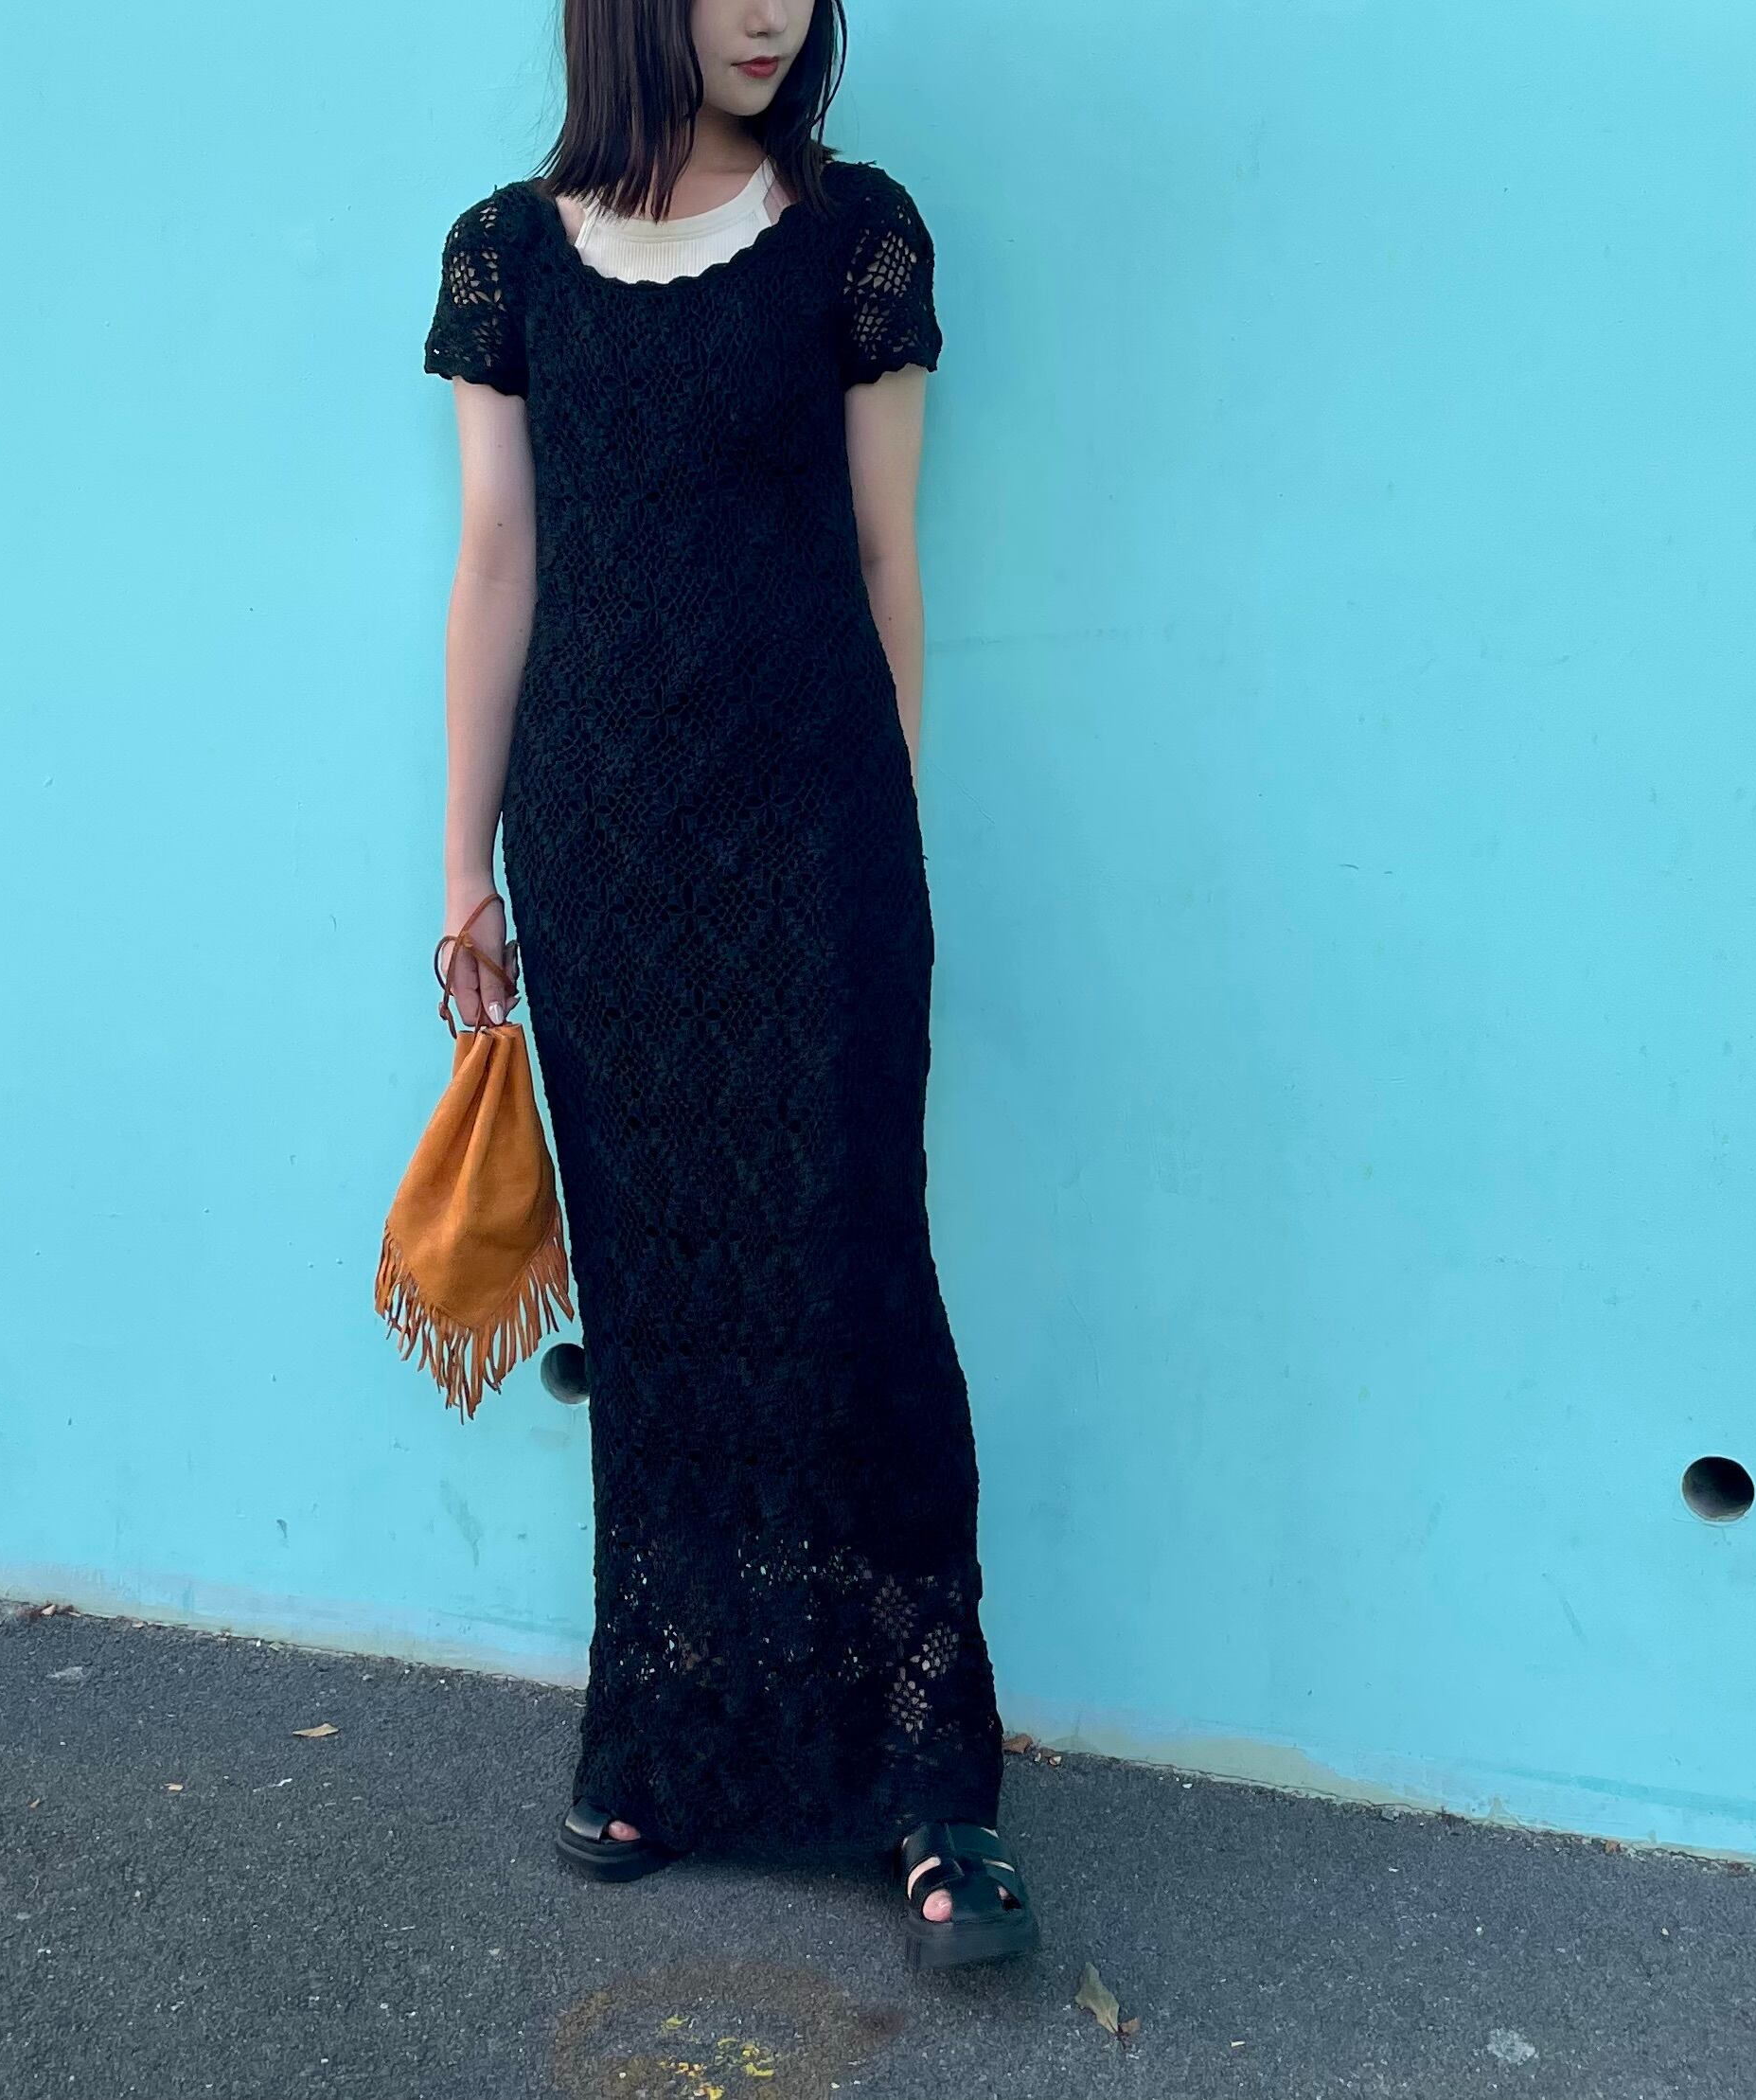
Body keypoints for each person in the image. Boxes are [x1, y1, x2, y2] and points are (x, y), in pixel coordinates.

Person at [419, 0, 1038, 1970]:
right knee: (665, 1291)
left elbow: (886, 561)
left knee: (851, 1276)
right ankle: (663, 1737)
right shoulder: (505, 257)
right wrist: (462, 867)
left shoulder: (856, 235)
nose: (771, 9)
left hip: (811, 831)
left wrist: (881, 830)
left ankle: (930, 1784)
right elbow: (497, 561)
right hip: (599, 847)